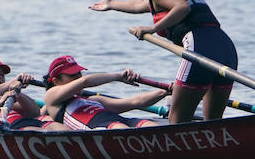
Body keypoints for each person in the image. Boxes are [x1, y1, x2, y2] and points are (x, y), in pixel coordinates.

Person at [90, 0, 238, 123]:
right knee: (213, 122)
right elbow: (139, 5)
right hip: (226, 49)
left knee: (177, 120)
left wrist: (152, 29)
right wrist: (112, 4)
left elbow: (182, 7)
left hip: (200, 49)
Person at [39, 55, 167, 129]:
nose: (78, 77)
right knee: (121, 128)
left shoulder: (95, 100)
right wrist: (118, 76)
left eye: (79, 73)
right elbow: (84, 81)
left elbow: (135, 102)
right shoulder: (51, 97)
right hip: (104, 129)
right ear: (56, 81)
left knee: (153, 126)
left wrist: (165, 91)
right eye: (72, 75)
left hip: (123, 122)